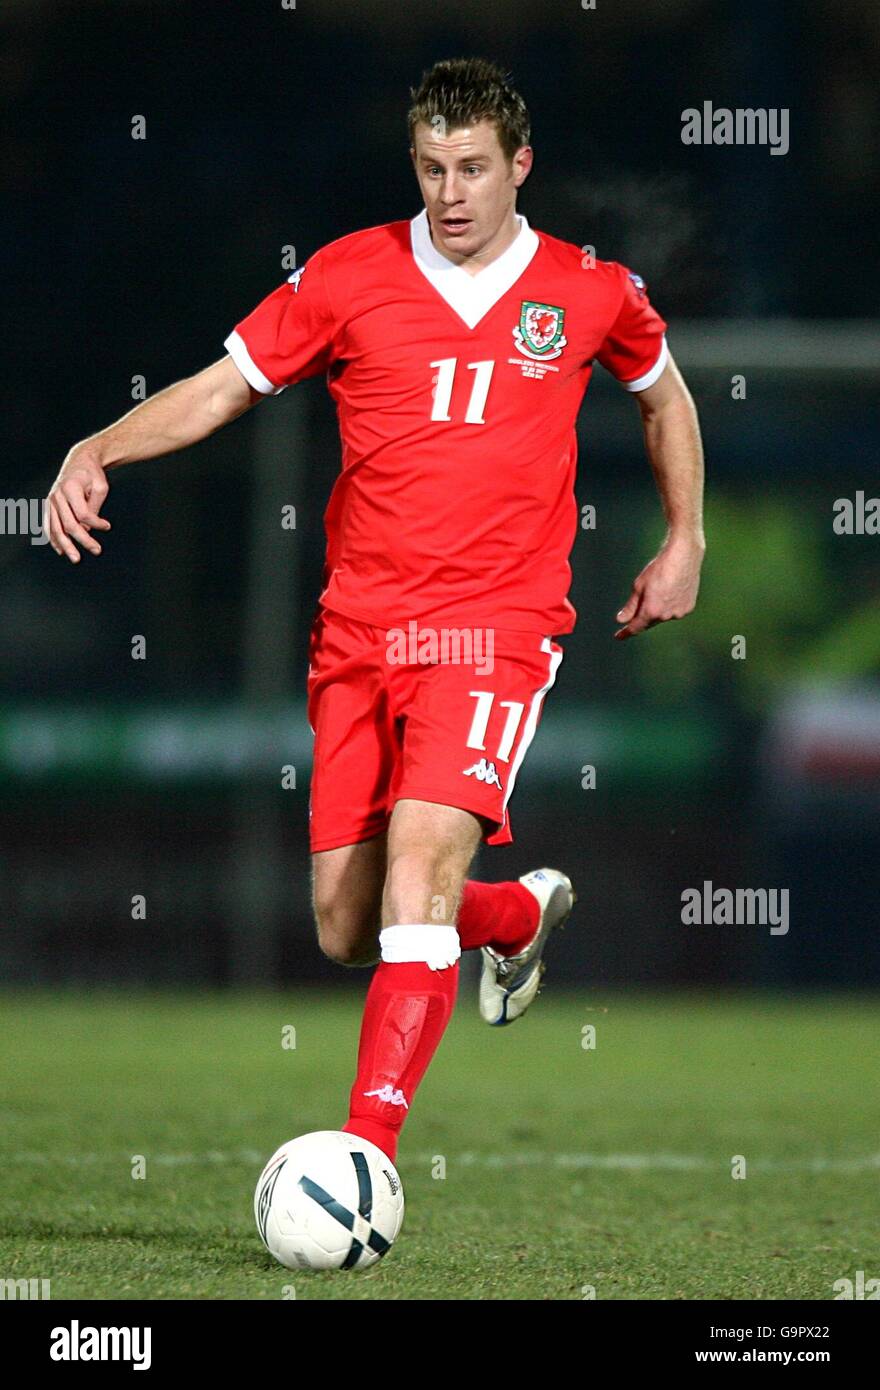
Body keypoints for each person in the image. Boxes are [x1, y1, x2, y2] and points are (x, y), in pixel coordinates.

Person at [45, 57, 705, 1163]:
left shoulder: (591, 290)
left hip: (496, 626)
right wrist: (96, 445)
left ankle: (363, 1159)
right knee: (350, 925)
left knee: (417, 870)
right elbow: (221, 388)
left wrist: (683, 539)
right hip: (359, 630)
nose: (452, 192)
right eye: (432, 168)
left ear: (519, 166)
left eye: (474, 169)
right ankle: (513, 916)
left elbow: (665, 397)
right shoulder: (348, 275)